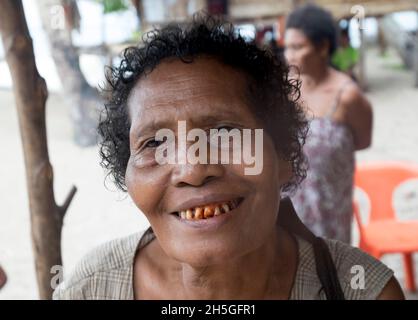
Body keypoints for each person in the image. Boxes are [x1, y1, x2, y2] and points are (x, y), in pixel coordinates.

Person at [53, 14, 401, 300]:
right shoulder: (90, 288)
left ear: (282, 154)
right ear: (127, 173)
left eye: (223, 134)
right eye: (155, 143)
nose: (192, 169)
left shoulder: (361, 290)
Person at [284, 5, 373, 244]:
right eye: (287, 47)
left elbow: (363, 141)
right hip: (286, 213)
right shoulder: (285, 91)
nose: (289, 55)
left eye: (297, 47)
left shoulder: (347, 96)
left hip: (329, 214)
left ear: (322, 47)